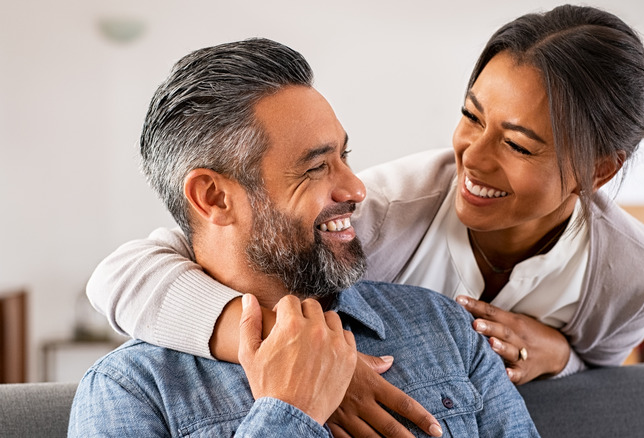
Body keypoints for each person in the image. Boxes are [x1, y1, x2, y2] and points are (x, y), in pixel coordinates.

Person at [88, 0, 644, 420]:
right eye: (471, 116)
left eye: (519, 145)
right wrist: (297, 356)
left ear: (598, 171)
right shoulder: (380, 211)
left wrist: (560, 356)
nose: (473, 158)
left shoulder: (633, 272)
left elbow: (599, 378)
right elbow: (130, 272)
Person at [68, 38, 540, 437]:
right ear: (213, 197)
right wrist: (288, 411)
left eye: (344, 157)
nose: (356, 189)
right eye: (315, 168)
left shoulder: (445, 327)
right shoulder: (130, 390)